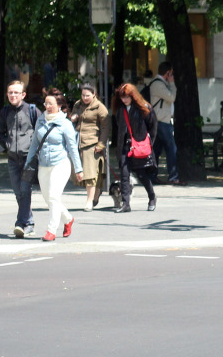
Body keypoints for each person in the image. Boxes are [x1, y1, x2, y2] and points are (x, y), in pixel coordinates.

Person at [24, 89, 83, 242]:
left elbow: (72, 148)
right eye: (46, 103)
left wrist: (79, 169)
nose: (48, 106)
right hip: (43, 164)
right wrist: (28, 162)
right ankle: (68, 219)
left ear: (59, 105)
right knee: (49, 199)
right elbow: (34, 144)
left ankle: (51, 230)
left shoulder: (65, 123)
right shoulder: (40, 120)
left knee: (53, 196)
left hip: (60, 163)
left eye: (51, 103)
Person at [0, 80, 41, 237]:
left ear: (23, 94)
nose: (13, 95)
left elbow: (42, 130)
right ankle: (29, 222)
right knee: (17, 192)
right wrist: (7, 144)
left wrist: (34, 147)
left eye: (16, 92)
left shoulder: (32, 110)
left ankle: (21, 223)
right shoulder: (5, 112)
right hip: (13, 158)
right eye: (10, 92)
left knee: (25, 189)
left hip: (29, 158)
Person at [111, 83, 159, 213]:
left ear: (133, 96)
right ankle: (126, 203)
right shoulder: (120, 110)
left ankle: (152, 196)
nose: (124, 100)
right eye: (122, 97)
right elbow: (119, 127)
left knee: (141, 174)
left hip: (138, 145)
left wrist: (148, 144)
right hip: (124, 146)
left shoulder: (144, 108)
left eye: (126, 97)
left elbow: (153, 127)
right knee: (124, 175)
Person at [69, 83, 110, 211]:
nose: (85, 97)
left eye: (87, 95)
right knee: (82, 173)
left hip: (93, 143)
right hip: (78, 142)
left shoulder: (100, 108)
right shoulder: (78, 104)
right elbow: (74, 114)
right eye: (83, 95)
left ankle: (89, 201)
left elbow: (106, 127)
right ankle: (95, 194)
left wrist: (101, 144)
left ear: (94, 94)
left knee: (90, 174)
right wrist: (74, 116)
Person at [147, 61, 180, 184]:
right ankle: (173, 176)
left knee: (156, 150)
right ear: (168, 73)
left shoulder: (160, 84)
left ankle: (152, 176)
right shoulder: (158, 84)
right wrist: (172, 83)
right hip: (161, 122)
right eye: (171, 73)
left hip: (162, 121)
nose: (172, 76)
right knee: (171, 148)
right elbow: (171, 97)